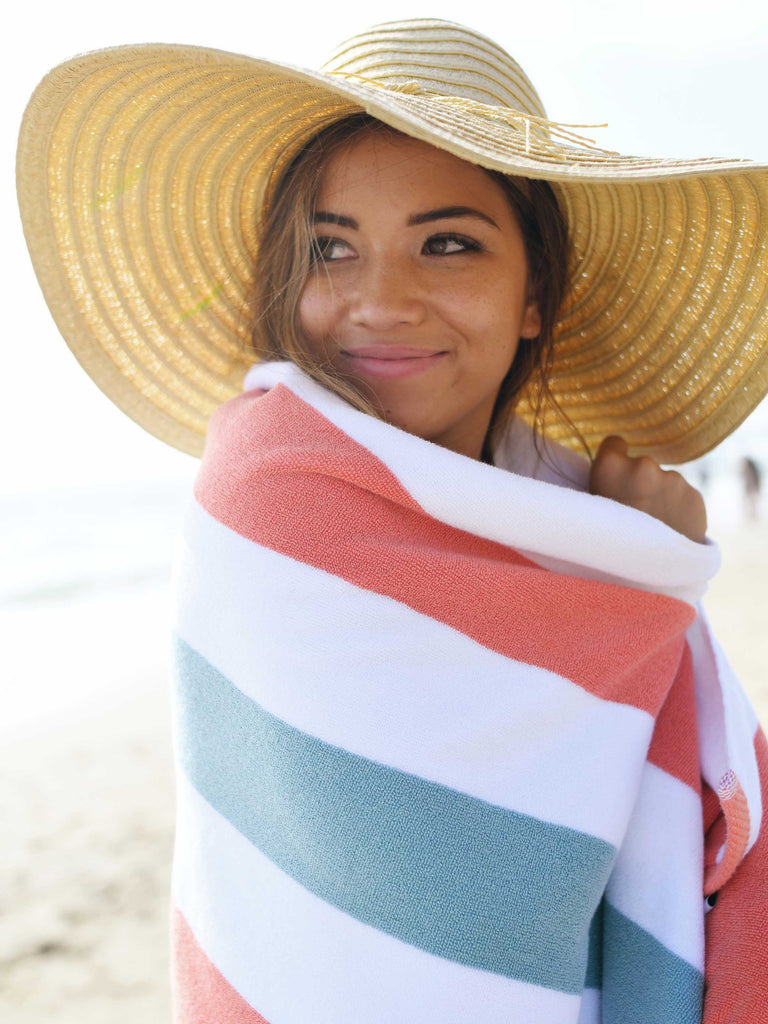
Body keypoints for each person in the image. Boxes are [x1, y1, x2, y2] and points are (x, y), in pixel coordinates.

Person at [17, 19, 768, 1024]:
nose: (381, 300)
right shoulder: (264, 491)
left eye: (446, 243)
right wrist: (635, 582)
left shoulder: (594, 534)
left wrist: (632, 577)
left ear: (534, 293)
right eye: (332, 249)